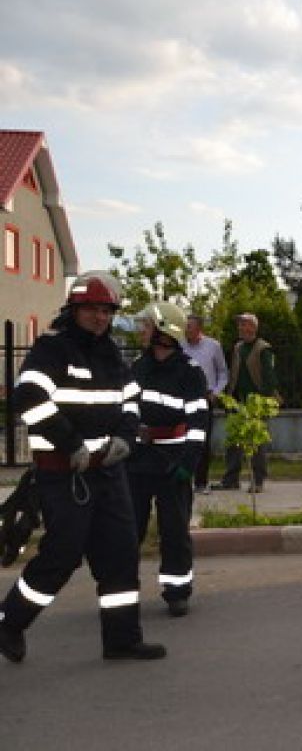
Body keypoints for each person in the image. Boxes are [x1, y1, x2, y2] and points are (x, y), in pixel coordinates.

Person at [0, 271, 166, 663]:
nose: (100, 317)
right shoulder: (52, 348)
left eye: (106, 311)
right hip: (63, 472)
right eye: (92, 309)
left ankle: (122, 639)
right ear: (74, 309)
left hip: (108, 471)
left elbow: (131, 402)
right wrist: (70, 443)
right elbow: (29, 397)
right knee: (63, 554)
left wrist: (125, 438)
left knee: (121, 553)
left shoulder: (111, 353)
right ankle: (9, 623)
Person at [127, 302, 208, 618]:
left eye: (147, 325)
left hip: (172, 463)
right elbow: (126, 409)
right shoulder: (137, 366)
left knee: (174, 531)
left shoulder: (190, 372)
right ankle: (122, 590)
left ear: (163, 331)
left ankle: (177, 591)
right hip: (137, 462)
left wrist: (188, 464)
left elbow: (199, 423)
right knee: (127, 531)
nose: (141, 331)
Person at [220, 312, 279, 493]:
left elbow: (269, 378)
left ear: (253, 327)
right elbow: (233, 373)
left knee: (256, 443)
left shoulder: (263, 349)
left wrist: (264, 400)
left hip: (256, 403)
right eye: (239, 324)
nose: (240, 327)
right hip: (238, 400)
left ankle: (258, 480)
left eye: (244, 324)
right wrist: (229, 397)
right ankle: (231, 479)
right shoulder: (238, 347)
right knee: (233, 441)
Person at [182, 314, 228, 493]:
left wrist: (216, 393)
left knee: (202, 440)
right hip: (184, 396)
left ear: (199, 328)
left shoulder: (213, 346)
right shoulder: (181, 346)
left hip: (205, 396)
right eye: (186, 326)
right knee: (183, 438)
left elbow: (223, 372)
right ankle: (184, 480)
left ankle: (201, 482)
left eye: (190, 326)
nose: (186, 330)